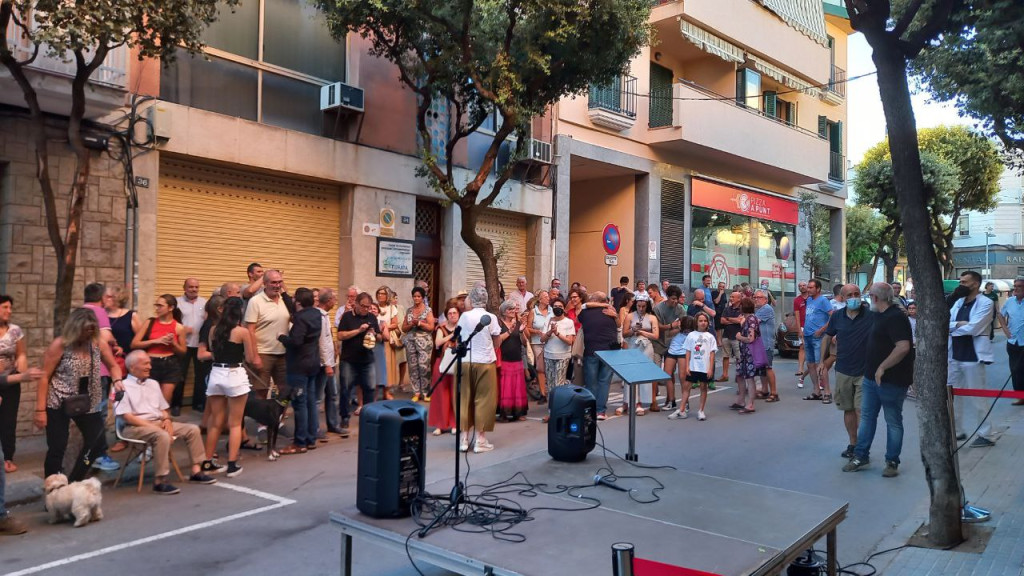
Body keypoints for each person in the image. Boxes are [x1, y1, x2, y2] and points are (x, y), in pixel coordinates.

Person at [36, 307, 124, 481]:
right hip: (59, 399)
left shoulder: (97, 343)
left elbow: (113, 366)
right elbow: (44, 376)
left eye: (92, 329)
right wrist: (40, 410)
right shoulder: (60, 344)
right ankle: (52, 490)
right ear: (75, 328)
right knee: (57, 447)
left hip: (87, 399)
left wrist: (117, 381)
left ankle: (74, 481)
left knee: (96, 442)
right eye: (85, 330)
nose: (88, 333)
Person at [116, 350, 217, 494]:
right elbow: (126, 416)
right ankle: (160, 480)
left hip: (158, 423)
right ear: (132, 367)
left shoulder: (153, 383)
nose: (150, 367)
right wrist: (155, 427)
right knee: (161, 436)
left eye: (149, 363)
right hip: (135, 426)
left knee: (192, 429)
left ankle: (196, 471)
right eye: (146, 364)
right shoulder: (121, 386)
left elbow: (163, 409)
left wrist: (167, 420)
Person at [844, 283, 914, 477]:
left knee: (892, 421)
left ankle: (892, 461)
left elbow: (903, 347)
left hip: (892, 380)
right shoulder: (877, 315)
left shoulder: (896, 317)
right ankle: (860, 456)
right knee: (866, 418)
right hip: (870, 378)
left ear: (875, 298)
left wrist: (883, 367)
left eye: (868, 295)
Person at [200, 296, 253, 477]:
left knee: (215, 422)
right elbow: (252, 358)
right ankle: (232, 465)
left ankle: (207, 462)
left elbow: (214, 354)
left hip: (216, 373)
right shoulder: (242, 332)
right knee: (235, 423)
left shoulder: (213, 330)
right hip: (234, 373)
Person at [820, 285, 873, 459]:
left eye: (856, 294)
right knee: (848, 409)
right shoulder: (837, 316)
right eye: (849, 295)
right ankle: (853, 443)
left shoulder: (871, 315)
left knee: (861, 411)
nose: (854, 297)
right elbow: (828, 336)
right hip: (843, 370)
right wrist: (822, 361)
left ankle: (862, 448)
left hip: (865, 371)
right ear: (842, 297)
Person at [948, 270, 996, 447]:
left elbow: (974, 328)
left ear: (975, 284)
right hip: (954, 355)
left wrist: (955, 327)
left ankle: (986, 434)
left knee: (978, 397)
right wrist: (958, 325)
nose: (960, 285)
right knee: (953, 396)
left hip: (973, 357)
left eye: (964, 282)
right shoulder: (959, 302)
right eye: (960, 281)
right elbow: (945, 322)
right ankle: (957, 431)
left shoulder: (986, 303)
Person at [455, 285, 501, 453]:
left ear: (471, 300)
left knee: (464, 397)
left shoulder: (464, 316)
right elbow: (497, 342)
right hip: (486, 361)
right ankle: (480, 440)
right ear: (486, 300)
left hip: (465, 361)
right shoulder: (491, 317)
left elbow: (458, 337)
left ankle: (464, 438)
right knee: (485, 399)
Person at [81, 283, 121, 472]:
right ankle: (98, 455)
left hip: (80, 371)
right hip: (99, 370)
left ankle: (88, 453)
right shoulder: (98, 312)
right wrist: (114, 342)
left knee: (88, 413)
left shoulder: (78, 312)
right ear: (101, 298)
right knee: (99, 413)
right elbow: (104, 337)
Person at [0, 296, 42, 474]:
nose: (9, 311)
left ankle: (7, 457)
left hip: (11, 382)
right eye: (4, 307)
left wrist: (22, 367)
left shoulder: (15, 330)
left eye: (10, 307)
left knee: (8, 422)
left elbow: (21, 353)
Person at [277, 288, 322, 455]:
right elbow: (296, 309)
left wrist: (281, 337)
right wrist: (284, 295)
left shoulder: (301, 319)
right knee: (310, 402)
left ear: (299, 302)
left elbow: (296, 342)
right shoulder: (315, 314)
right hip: (312, 363)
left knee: (299, 404)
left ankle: (299, 442)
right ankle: (310, 439)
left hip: (299, 366)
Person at [131, 294, 187, 406]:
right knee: (150, 401)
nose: (157, 308)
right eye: (156, 305)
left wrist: (173, 344)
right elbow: (134, 344)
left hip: (170, 364)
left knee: (165, 402)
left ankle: (164, 422)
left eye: (160, 306)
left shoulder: (179, 327)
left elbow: (183, 352)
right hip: (151, 363)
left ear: (170, 308)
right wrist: (155, 341)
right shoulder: (150, 322)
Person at [244, 270, 291, 399]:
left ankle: (279, 417)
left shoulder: (285, 300)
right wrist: (255, 356)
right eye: (273, 282)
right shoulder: (255, 301)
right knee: (261, 390)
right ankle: (262, 419)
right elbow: (250, 330)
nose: (277, 285)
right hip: (263, 353)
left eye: (279, 282)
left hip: (283, 354)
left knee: (286, 391)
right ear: (264, 284)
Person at [338, 292, 381, 416]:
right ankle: (344, 417)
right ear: (356, 304)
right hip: (349, 360)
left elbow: (379, 337)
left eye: (368, 307)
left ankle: (368, 417)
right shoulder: (347, 317)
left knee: (370, 389)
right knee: (346, 389)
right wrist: (358, 330)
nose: (366, 309)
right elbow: (340, 335)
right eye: (363, 306)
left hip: (367, 360)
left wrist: (374, 334)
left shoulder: (372, 317)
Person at [578, 292, 619, 420]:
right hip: (610, 351)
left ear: (594, 299)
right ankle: (601, 411)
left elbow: (581, 312)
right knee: (604, 382)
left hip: (592, 351)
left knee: (591, 382)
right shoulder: (611, 311)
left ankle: (591, 410)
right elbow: (618, 325)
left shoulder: (585, 312)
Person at [621, 293, 659, 414]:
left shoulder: (652, 317)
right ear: (635, 305)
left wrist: (642, 332)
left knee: (644, 374)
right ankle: (627, 401)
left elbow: (656, 335)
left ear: (647, 306)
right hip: (632, 345)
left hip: (646, 346)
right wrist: (633, 330)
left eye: (643, 306)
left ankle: (641, 402)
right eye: (639, 306)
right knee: (631, 373)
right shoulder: (630, 316)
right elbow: (624, 334)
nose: (641, 308)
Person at [674, 312, 717, 421]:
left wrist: (710, 368)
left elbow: (712, 354)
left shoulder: (710, 337)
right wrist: (687, 366)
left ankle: (701, 410)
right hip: (693, 366)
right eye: (700, 321)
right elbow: (688, 351)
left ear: (708, 323)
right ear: (696, 323)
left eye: (705, 321)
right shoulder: (691, 335)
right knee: (686, 387)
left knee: (703, 388)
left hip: (704, 367)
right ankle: (682, 409)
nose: (703, 323)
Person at [315, 289, 343, 437]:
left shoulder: (325, 316)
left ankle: (333, 425)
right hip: (324, 364)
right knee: (318, 397)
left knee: (332, 394)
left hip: (331, 361)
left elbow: (328, 339)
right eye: (334, 299)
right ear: (328, 301)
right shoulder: (319, 316)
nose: (335, 302)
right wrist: (327, 364)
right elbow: (321, 343)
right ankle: (315, 429)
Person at [653, 285, 686, 408]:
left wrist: (675, 328)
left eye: (677, 299)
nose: (675, 301)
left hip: (673, 344)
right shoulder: (658, 309)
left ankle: (670, 399)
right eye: (673, 298)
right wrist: (672, 325)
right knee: (656, 371)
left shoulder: (680, 309)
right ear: (667, 297)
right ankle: (654, 400)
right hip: (657, 343)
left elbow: (684, 325)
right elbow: (657, 326)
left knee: (670, 373)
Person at [429, 301, 459, 435]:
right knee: (440, 394)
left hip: (457, 363)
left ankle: (454, 423)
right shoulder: (441, 328)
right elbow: (438, 342)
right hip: (442, 363)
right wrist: (452, 335)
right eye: (450, 313)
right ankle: (440, 425)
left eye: (454, 313)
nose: (452, 315)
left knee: (455, 393)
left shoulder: (463, 327)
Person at [177, 278, 208, 414]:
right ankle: (176, 404)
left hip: (200, 344)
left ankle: (199, 403)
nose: (194, 289)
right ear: (184, 288)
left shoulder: (205, 302)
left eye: (196, 287)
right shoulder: (177, 302)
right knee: (180, 374)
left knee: (200, 376)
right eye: (190, 287)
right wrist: (183, 329)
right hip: (183, 344)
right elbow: (172, 322)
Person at [401, 287, 436, 402]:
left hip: (424, 342)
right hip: (410, 341)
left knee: (423, 366)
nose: (416, 298)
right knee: (413, 367)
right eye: (414, 296)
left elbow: (431, 327)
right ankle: (416, 392)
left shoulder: (427, 310)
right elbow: (404, 328)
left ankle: (426, 392)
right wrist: (411, 324)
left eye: (418, 296)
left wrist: (420, 323)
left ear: (422, 297)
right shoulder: (409, 311)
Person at [497, 300, 529, 422]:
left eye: (513, 309)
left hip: (517, 358)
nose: (512, 311)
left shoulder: (518, 322)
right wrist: (510, 330)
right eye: (510, 309)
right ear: (504, 312)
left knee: (518, 387)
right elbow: (498, 340)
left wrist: (521, 332)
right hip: (504, 359)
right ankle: (504, 413)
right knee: (506, 387)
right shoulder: (499, 324)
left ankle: (519, 412)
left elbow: (525, 343)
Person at [802, 280, 833, 403]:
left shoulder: (823, 301)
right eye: (808, 287)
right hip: (808, 335)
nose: (808, 289)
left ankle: (827, 392)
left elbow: (832, 316)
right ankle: (816, 391)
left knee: (820, 365)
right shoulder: (809, 300)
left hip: (818, 337)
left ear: (818, 289)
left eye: (811, 287)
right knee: (810, 364)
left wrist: (822, 330)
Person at [731, 297, 760, 415]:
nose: (739, 307)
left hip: (749, 353)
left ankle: (750, 404)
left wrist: (739, 337)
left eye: (741, 305)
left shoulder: (751, 320)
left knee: (749, 377)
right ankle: (741, 400)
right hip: (744, 353)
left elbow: (750, 338)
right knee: (740, 376)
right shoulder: (747, 319)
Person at [524, 290, 553, 404]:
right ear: (540, 299)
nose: (548, 298)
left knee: (550, 368)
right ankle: (542, 393)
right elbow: (528, 327)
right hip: (537, 342)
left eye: (548, 297)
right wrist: (537, 331)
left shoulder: (552, 310)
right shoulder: (533, 311)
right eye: (545, 297)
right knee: (541, 369)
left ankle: (551, 391)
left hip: (551, 342)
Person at [542, 297, 576, 389]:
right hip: (548, 356)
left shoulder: (569, 322)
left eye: (560, 306)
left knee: (559, 383)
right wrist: (550, 332)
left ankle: (559, 402)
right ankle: (551, 402)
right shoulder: (548, 320)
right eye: (555, 306)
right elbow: (542, 339)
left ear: (564, 308)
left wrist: (557, 333)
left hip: (562, 356)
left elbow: (569, 342)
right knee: (550, 384)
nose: (557, 308)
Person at [375, 286, 402, 399]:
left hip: (387, 341)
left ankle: (386, 392)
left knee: (387, 367)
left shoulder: (392, 308)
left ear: (387, 296)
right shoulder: (374, 307)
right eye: (379, 293)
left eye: (383, 294)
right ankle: (375, 393)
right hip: (376, 340)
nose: (381, 295)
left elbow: (396, 323)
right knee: (376, 366)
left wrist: (385, 327)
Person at [1001, 277, 1024, 406]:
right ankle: (1021, 396)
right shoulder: (1009, 301)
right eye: (1015, 286)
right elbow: (1000, 314)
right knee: (1015, 370)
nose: (1016, 288)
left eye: (1019, 286)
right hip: (1013, 343)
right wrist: (1005, 329)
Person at [753, 290, 778, 403]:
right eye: (755, 297)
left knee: (768, 368)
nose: (756, 299)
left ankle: (774, 393)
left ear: (765, 299)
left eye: (759, 297)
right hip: (760, 344)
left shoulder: (766, 309)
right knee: (762, 368)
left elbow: (752, 322)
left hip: (766, 344)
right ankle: (764, 390)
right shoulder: (759, 310)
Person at [717, 292, 742, 383]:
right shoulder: (727, 309)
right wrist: (734, 320)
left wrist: (728, 318)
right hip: (726, 335)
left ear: (739, 299)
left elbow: (740, 321)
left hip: (737, 336)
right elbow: (722, 321)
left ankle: (739, 374)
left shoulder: (742, 309)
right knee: (725, 356)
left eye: (733, 297)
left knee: (739, 357)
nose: (731, 298)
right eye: (730, 296)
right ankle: (724, 375)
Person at [793, 281, 809, 383]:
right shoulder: (797, 300)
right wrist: (799, 329)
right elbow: (797, 316)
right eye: (800, 286)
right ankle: (800, 368)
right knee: (802, 346)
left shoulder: (812, 298)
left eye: (804, 285)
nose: (802, 287)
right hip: (803, 326)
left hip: (813, 327)